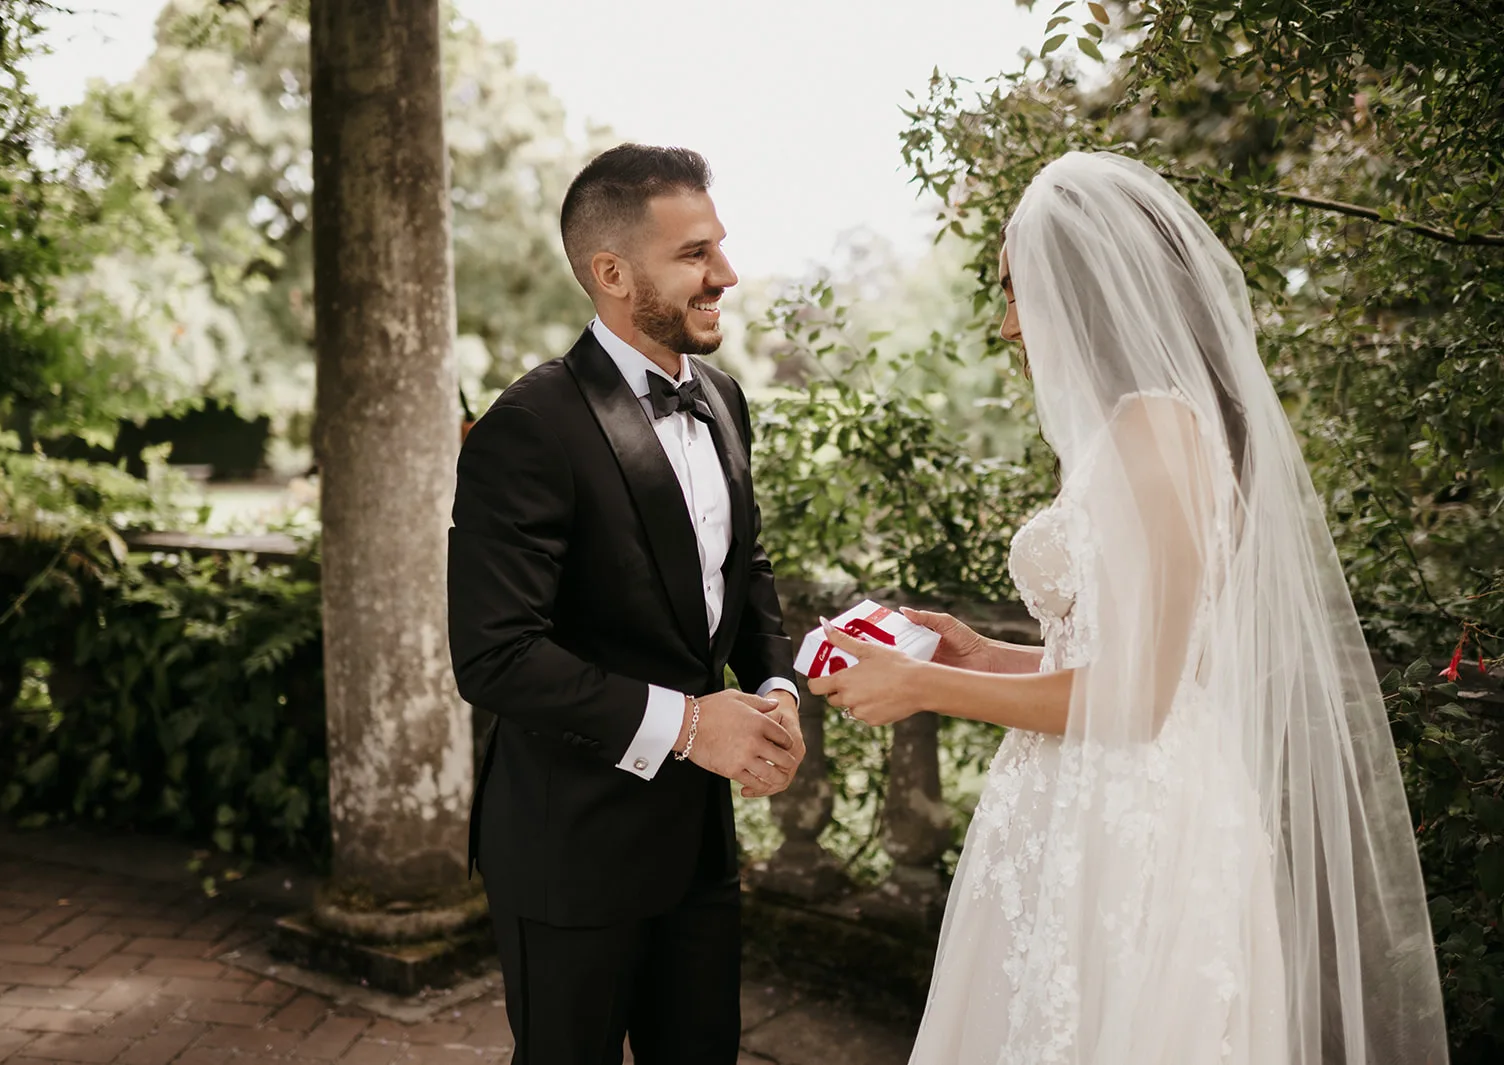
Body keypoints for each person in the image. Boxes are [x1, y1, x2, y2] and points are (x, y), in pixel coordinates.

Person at [810, 151, 1448, 1065]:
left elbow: (1141, 699)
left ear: (1081, 287)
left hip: (1132, 812)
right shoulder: (1130, 431)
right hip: (1079, 794)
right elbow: (1144, 660)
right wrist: (986, 655)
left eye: (1015, 291)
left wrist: (920, 686)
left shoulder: (1159, 428)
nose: (1008, 325)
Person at [448, 143, 806, 1065]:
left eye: (718, 247)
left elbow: (744, 568)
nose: (725, 273)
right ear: (611, 274)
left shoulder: (724, 398)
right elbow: (495, 655)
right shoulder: (527, 427)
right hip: (569, 848)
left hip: (697, 845)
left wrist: (776, 692)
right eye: (694, 254)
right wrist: (692, 725)